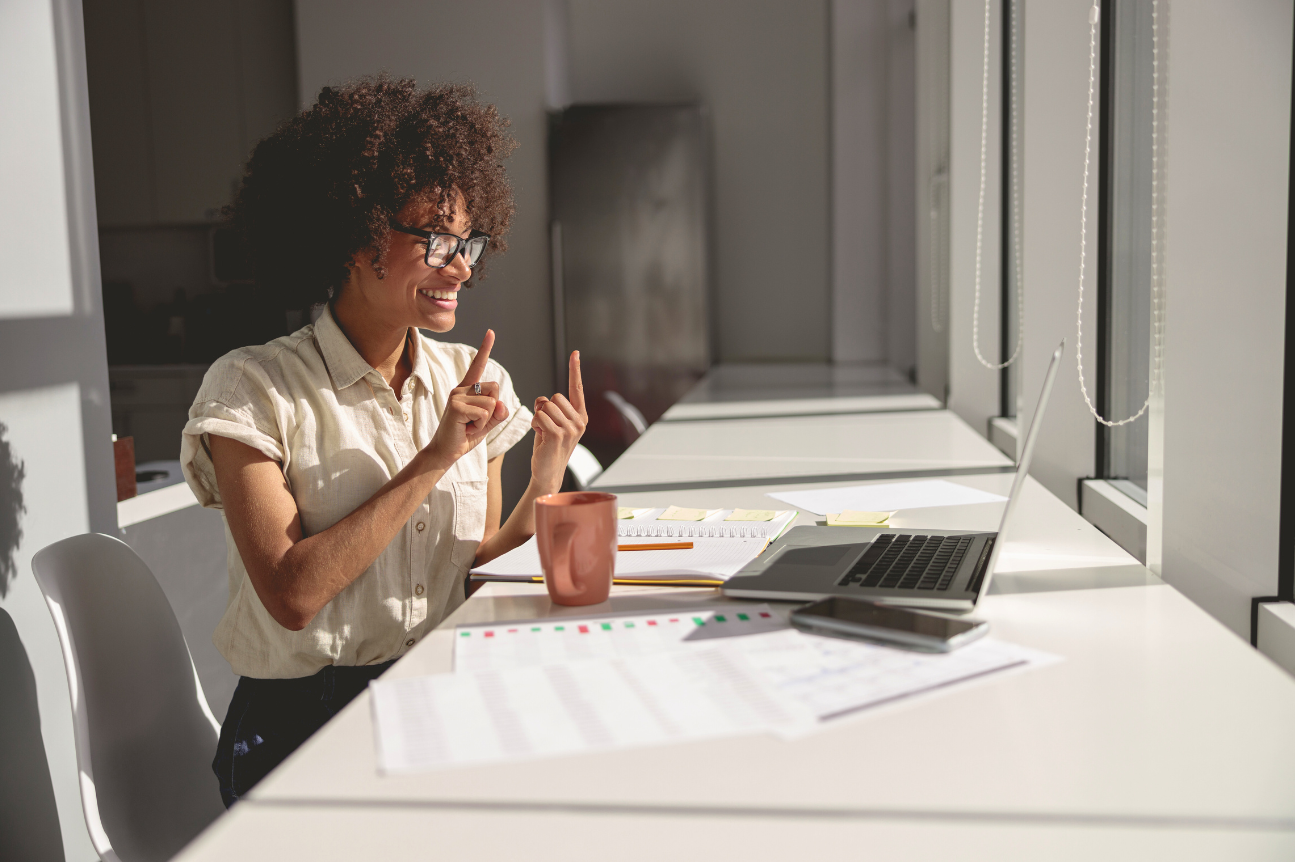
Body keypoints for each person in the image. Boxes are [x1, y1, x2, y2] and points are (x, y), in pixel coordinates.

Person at [180, 77, 587, 807]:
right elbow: (293, 595)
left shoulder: (475, 377)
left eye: (467, 241)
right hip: (301, 725)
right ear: (354, 236)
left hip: (440, 695)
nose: (460, 265)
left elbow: (475, 568)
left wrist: (545, 479)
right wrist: (433, 460)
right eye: (434, 239)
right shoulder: (251, 388)